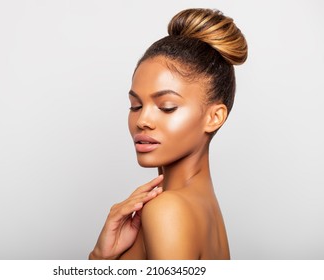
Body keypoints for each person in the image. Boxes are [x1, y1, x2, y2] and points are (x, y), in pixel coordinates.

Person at [89, 8, 247, 260]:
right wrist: (101, 259)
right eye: (136, 106)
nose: (142, 120)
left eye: (166, 107)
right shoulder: (204, 208)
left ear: (214, 117)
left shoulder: (168, 210)